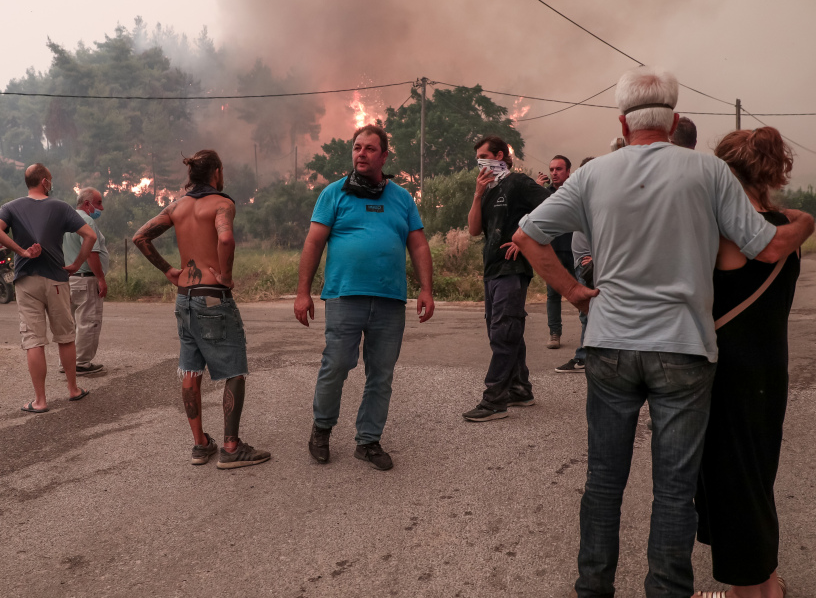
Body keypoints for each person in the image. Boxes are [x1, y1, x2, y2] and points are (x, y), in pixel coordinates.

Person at [510, 66, 815, 598]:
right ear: (673, 122)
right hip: (683, 349)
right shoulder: (708, 173)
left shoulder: (591, 175)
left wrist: (576, 292)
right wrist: (804, 224)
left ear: (623, 123)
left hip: (609, 346)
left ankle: (593, 589)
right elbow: (765, 247)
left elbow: (529, 236)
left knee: (604, 482)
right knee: (673, 490)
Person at [693, 127, 800, 598]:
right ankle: (763, 586)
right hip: (769, 365)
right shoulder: (783, 224)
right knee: (756, 476)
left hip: (729, 369)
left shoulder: (724, 228)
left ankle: (757, 595)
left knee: (734, 482)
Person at [295, 124, 434, 471]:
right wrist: (303, 293)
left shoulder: (402, 198)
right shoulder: (335, 193)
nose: (361, 153)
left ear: (384, 156)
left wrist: (426, 288)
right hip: (344, 296)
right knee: (337, 364)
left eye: (370, 149)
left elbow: (417, 244)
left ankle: (368, 440)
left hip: (390, 300)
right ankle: (322, 429)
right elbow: (313, 243)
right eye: (357, 147)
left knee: (381, 374)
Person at [133, 150, 271, 470]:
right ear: (217, 172)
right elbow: (226, 239)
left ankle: (200, 445)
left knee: (191, 370)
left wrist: (169, 271)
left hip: (184, 297)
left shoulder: (176, 206)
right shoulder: (222, 204)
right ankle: (231, 447)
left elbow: (140, 237)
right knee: (234, 371)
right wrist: (226, 275)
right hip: (212, 295)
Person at [0, 164, 96, 414]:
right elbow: (89, 236)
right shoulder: (60, 207)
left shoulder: (10, 207)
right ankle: (73, 389)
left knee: (34, 340)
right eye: (51, 179)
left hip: (26, 280)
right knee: (66, 336)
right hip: (57, 279)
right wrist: (77, 264)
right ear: (45, 182)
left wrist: (22, 251)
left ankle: (40, 401)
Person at [461, 135, 550, 421]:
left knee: (504, 333)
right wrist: (477, 194)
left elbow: (552, 208)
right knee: (503, 331)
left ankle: (494, 399)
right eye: (478, 160)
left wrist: (523, 239)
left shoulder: (519, 183)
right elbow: (474, 230)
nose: (481, 164)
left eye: (485, 157)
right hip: (492, 270)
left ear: (500, 155)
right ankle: (520, 388)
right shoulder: (488, 190)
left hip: (513, 270)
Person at [60, 187, 108, 375]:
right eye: (99, 203)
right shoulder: (86, 220)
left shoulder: (65, 220)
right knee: (88, 322)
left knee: (69, 324)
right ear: (87, 204)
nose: (101, 208)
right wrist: (101, 279)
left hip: (69, 280)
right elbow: (92, 253)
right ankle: (81, 363)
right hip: (86, 280)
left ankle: (66, 362)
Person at [556, 157, 596, 374]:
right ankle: (587, 356)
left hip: (589, 266)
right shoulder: (585, 198)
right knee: (586, 313)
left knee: (588, 312)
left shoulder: (597, 201)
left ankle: (584, 357)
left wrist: (596, 258)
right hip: (581, 264)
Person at [544, 155, 576, 350]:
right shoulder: (543, 194)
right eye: (552, 169)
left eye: (558, 169)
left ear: (568, 172)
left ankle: (589, 334)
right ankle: (554, 333)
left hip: (575, 250)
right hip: (553, 251)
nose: (554, 173)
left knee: (582, 293)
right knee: (553, 295)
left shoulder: (575, 191)